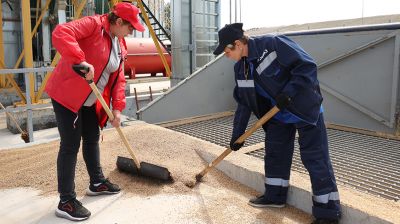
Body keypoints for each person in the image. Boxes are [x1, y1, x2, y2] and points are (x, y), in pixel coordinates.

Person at [213, 23, 341, 224]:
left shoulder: (272, 44)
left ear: (237, 44)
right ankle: (275, 196)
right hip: (278, 115)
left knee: (315, 157)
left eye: (226, 51)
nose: (226, 56)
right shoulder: (241, 68)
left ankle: (328, 212)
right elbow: (244, 104)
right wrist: (237, 135)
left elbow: (307, 66)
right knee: (275, 153)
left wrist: (289, 93)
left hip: (304, 108)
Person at [45, 2, 145, 221]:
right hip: (68, 96)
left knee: (91, 138)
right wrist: (80, 59)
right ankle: (66, 201)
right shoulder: (93, 25)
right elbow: (62, 32)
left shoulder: (121, 44)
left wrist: (117, 109)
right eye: (130, 27)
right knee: (70, 145)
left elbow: (118, 79)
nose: (131, 32)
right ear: (119, 22)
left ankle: (97, 182)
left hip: (91, 100)